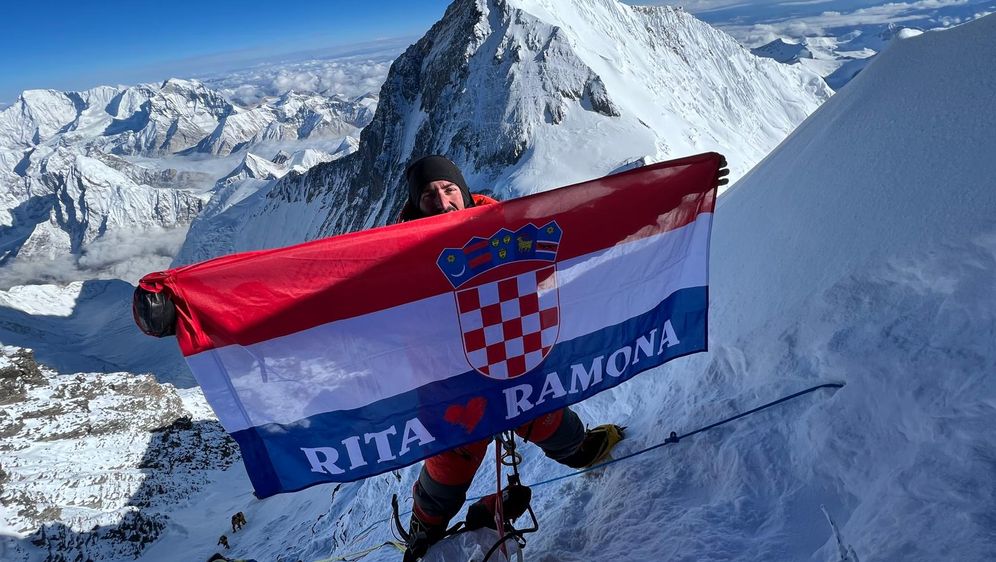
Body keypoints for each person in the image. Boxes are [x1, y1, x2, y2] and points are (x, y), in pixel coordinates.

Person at [399, 155, 625, 560]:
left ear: (464, 193)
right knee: (446, 475)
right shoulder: (395, 258)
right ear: (417, 205)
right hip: (450, 388)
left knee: (554, 425)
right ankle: (425, 528)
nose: (442, 200)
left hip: (512, 366)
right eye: (429, 195)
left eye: (448, 189)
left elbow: (578, 235)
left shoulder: (504, 230)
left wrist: (683, 190)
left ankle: (580, 449)